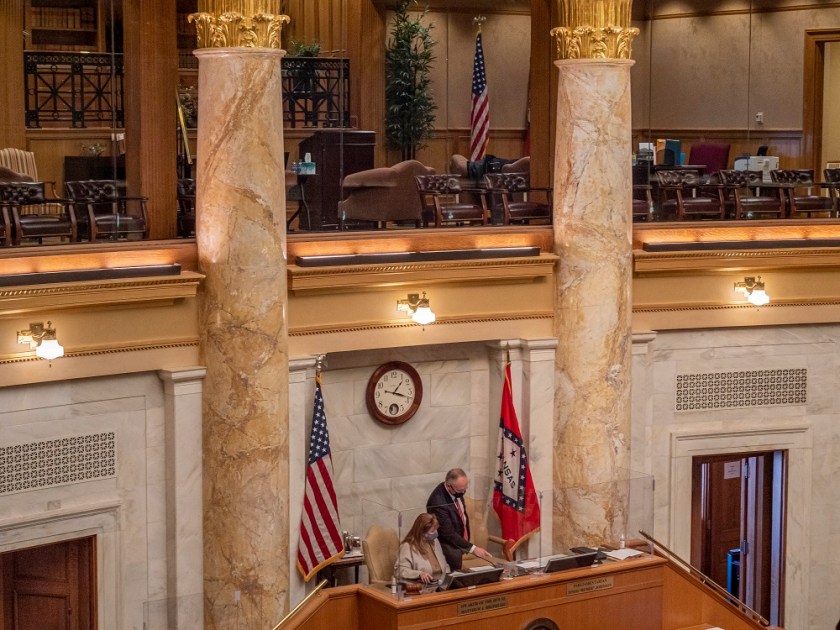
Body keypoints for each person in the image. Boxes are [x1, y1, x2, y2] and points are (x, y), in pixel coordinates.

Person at [426, 468, 492, 570]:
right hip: (447, 546)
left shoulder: (456, 491)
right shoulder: (438, 502)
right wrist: (473, 548)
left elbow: (461, 516)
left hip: (459, 540)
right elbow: (448, 533)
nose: (463, 493)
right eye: (460, 491)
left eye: (465, 489)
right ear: (448, 486)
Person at [394, 513, 450, 584]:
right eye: (432, 531)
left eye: (436, 529)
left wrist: (449, 578)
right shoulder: (408, 546)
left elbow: (445, 565)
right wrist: (419, 574)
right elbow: (399, 570)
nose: (436, 533)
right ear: (422, 532)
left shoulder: (435, 541)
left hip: (441, 583)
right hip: (421, 586)